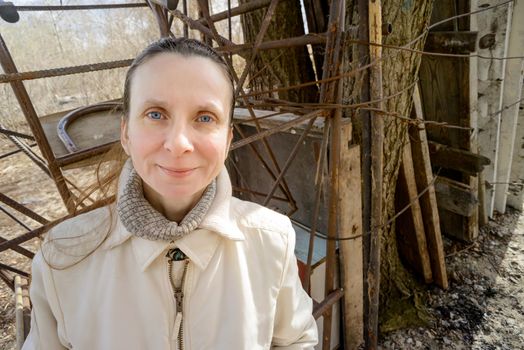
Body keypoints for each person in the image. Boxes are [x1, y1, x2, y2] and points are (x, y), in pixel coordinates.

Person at [22, 37, 318, 350]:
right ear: (126, 133)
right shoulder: (63, 256)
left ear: (229, 139)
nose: (178, 143)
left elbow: (295, 340)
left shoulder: (271, 241)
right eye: (156, 114)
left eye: (205, 117)